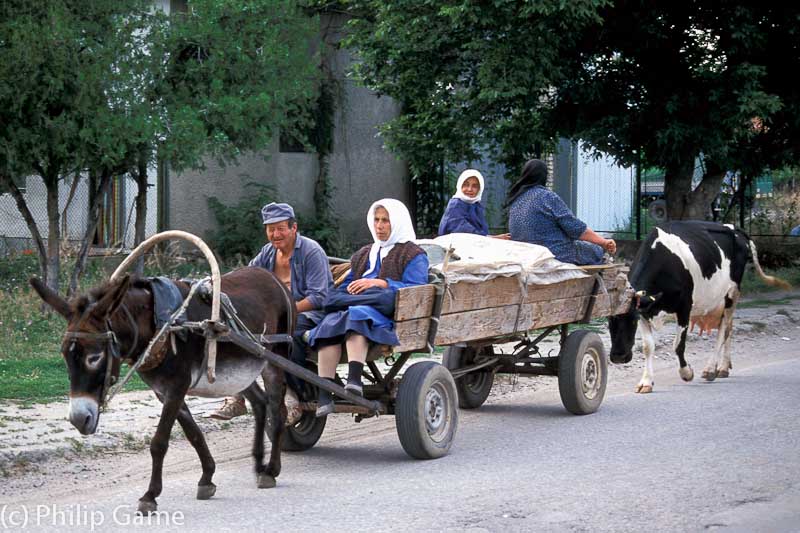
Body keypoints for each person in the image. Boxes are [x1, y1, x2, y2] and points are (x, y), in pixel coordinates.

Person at [210, 202, 333, 423]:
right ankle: (236, 397)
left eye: (280, 228)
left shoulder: (311, 251)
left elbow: (319, 297)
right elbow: (246, 276)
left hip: (311, 316)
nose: (275, 234)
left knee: (283, 339)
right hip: (277, 317)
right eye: (270, 229)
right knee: (239, 336)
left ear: (293, 228)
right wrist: (218, 284)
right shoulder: (267, 254)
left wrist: (286, 310)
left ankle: (291, 395)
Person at [307, 199, 429, 417]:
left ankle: (354, 381)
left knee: (357, 315)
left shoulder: (413, 254)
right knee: (330, 322)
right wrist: (346, 292)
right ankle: (325, 393)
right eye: (376, 220)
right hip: (360, 302)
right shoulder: (364, 253)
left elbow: (415, 289)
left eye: (385, 221)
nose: (379, 226)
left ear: (397, 223)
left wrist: (381, 283)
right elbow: (349, 284)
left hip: (386, 310)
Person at [506, 159, 616, 265]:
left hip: (525, 254)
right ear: (545, 177)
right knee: (595, 250)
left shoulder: (516, 200)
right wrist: (604, 242)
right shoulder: (547, 197)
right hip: (554, 252)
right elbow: (575, 228)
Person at [438, 169, 511, 239]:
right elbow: (462, 230)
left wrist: (490, 237)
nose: (469, 189)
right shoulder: (455, 205)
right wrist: (491, 238)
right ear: (460, 185)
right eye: (466, 185)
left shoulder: (476, 205)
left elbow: (482, 230)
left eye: (474, 186)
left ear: (480, 189)